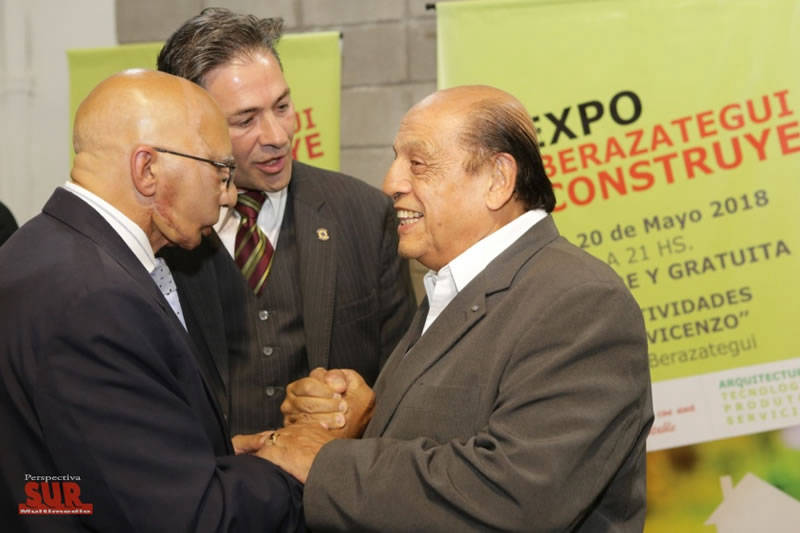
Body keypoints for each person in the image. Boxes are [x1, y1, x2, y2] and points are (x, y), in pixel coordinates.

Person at [264, 85, 654, 531]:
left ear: (497, 180)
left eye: (418, 164)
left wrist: (326, 461)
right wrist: (360, 417)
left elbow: (515, 497)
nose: (391, 183)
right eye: (396, 160)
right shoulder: (456, 286)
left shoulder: (581, 301)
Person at [0, 70, 313, 532]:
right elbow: (190, 518)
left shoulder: (36, 249)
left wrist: (210, 457)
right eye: (220, 171)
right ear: (147, 170)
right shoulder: (96, 300)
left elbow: (96, 470)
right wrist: (291, 466)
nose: (229, 196)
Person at [156, 7, 417, 435]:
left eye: (282, 106)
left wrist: (358, 409)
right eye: (246, 120)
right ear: (191, 127)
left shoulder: (365, 215)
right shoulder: (157, 231)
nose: (277, 136)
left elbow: (403, 381)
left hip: (333, 474)